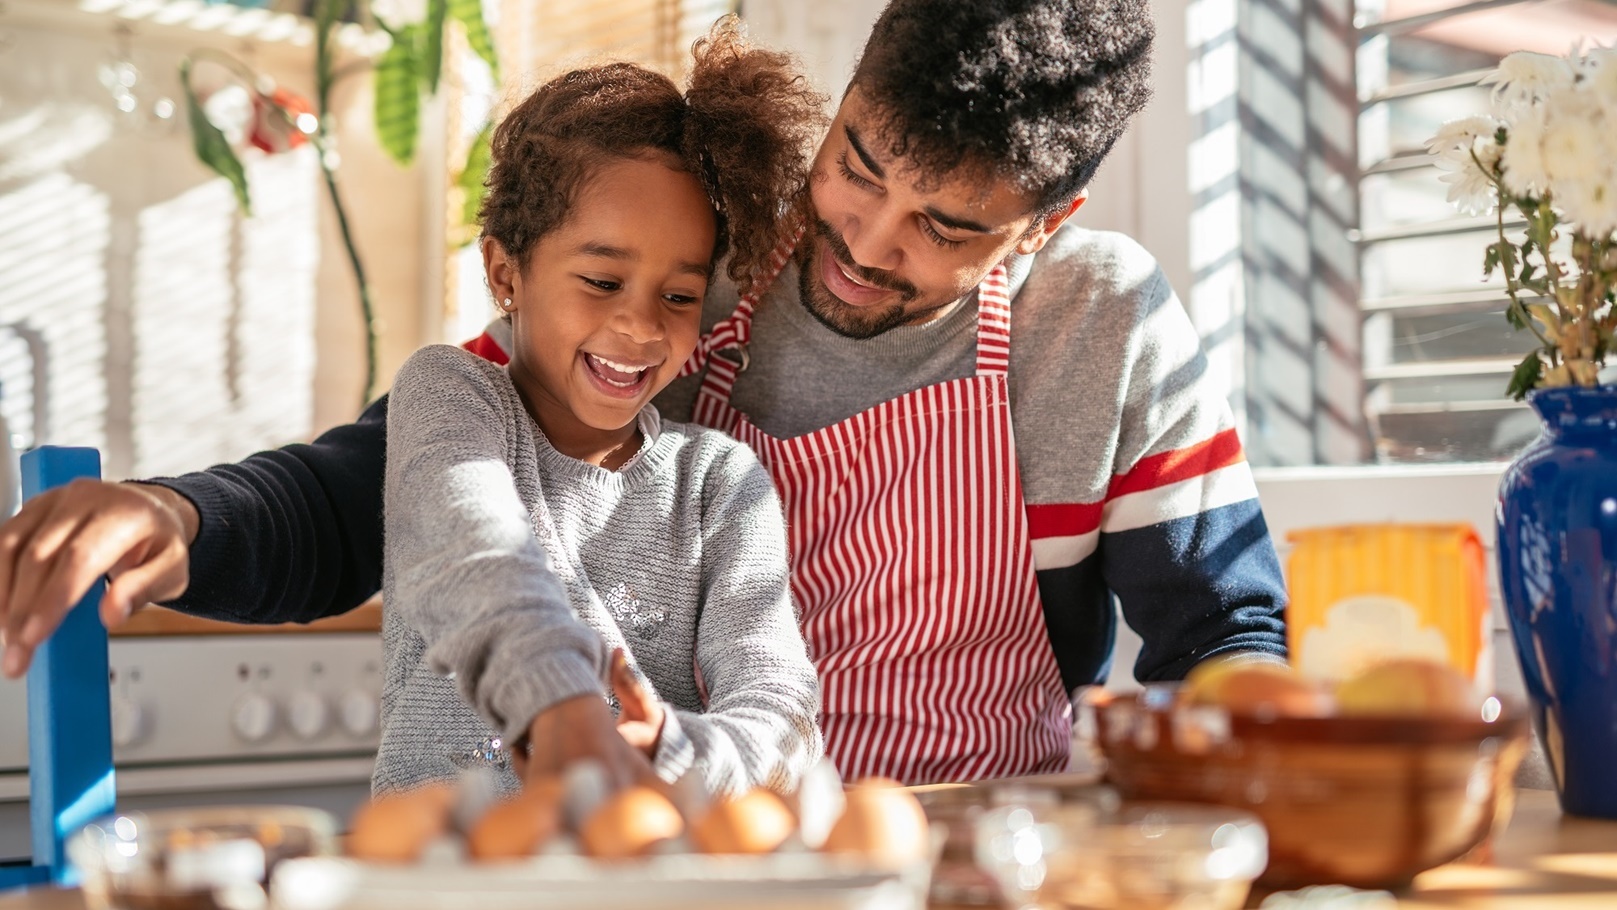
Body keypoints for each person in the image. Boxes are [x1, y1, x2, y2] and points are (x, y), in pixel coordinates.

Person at [0, 0, 1287, 785]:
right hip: (706, 856)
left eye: (944, 227)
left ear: (1040, 224)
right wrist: (184, 518)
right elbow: (399, 482)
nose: (865, 239)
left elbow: (1226, 642)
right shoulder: (690, 274)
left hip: (981, 857)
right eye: (859, 163)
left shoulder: (1099, 322)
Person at [374, 22, 824, 796]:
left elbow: (779, 709)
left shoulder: (717, 483)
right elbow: (473, 552)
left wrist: (672, 751)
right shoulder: (450, 395)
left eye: (678, 296)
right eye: (602, 282)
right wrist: (561, 706)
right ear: (504, 272)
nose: (642, 327)